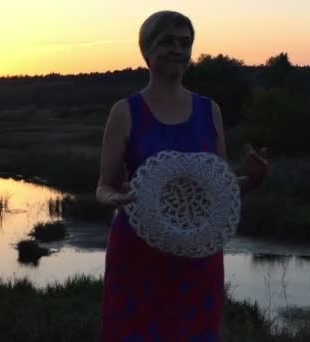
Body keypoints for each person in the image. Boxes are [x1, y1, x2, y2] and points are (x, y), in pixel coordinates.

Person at [96, 10, 269, 340]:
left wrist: (254, 178)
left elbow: (219, 189)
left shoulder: (209, 110)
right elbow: (104, 186)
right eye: (167, 42)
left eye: (185, 43)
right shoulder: (125, 112)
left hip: (198, 255)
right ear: (146, 50)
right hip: (138, 254)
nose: (178, 49)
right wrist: (114, 198)